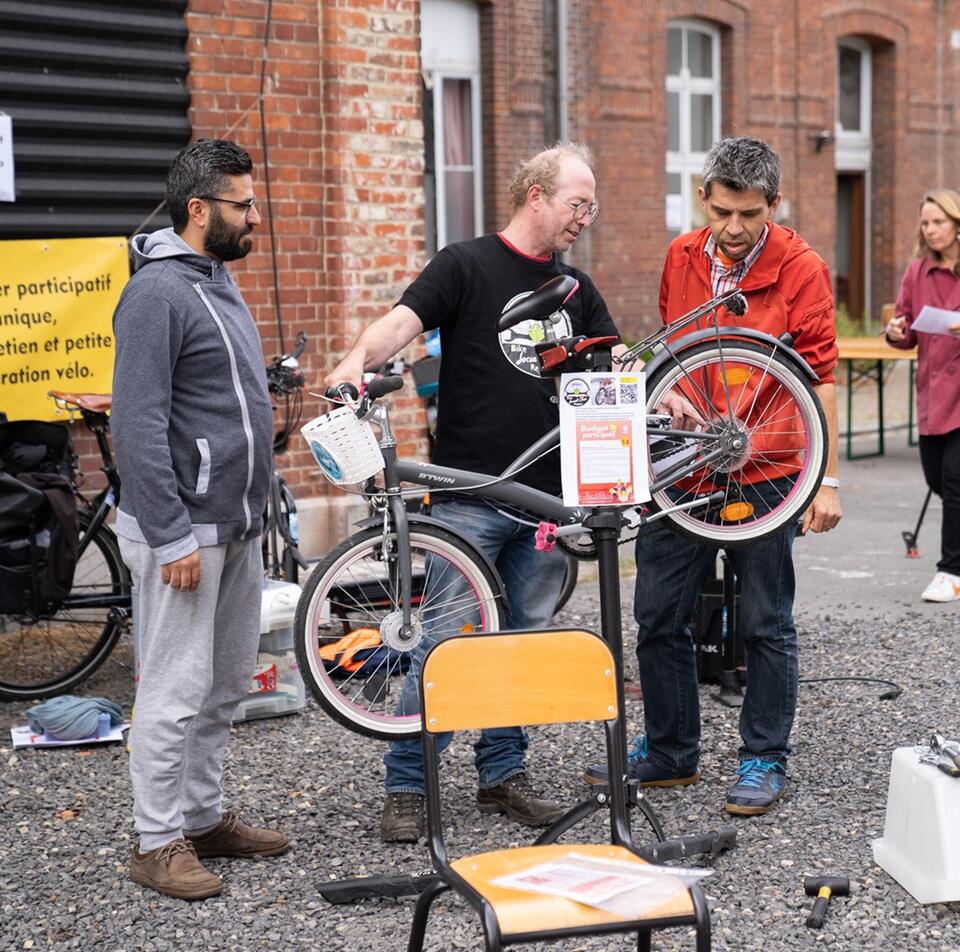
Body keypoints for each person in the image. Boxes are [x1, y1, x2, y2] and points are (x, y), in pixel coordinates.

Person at [324, 142, 621, 843]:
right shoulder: (465, 264)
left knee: (521, 643)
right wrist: (355, 360)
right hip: (468, 498)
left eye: (592, 207)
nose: (585, 218)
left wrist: (671, 404)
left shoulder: (577, 290)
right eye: (579, 204)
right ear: (537, 195)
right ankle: (408, 786)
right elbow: (402, 324)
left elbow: (615, 376)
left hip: (544, 504)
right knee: (444, 646)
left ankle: (502, 775)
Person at [584, 136, 842, 816]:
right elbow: (673, 347)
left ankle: (763, 757)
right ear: (705, 198)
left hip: (770, 463)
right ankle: (671, 751)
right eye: (723, 212)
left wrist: (829, 481)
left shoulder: (802, 268)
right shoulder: (681, 256)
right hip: (691, 460)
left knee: (765, 619)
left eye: (750, 215)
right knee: (658, 613)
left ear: (774, 205)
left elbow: (820, 377)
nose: (734, 229)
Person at [111, 138, 288, 900]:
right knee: (174, 691)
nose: (255, 217)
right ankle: (156, 842)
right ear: (198, 210)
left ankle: (205, 816)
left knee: (221, 685)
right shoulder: (157, 293)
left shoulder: (215, 279)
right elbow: (137, 422)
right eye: (242, 205)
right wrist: (171, 532)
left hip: (236, 522)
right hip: (185, 534)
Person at [885, 188, 960, 602]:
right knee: (937, 478)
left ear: (956, 224)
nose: (931, 230)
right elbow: (905, 327)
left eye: (938, 222)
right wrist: (896, 331)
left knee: (954, 478)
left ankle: (950, 572)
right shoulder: (917, 272)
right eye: (926, 223)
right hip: (933, 393)